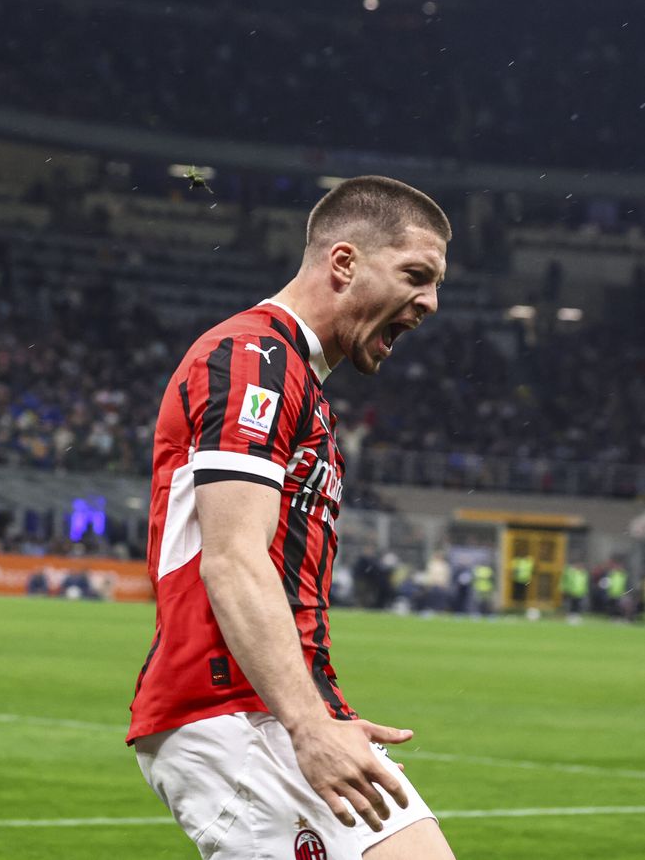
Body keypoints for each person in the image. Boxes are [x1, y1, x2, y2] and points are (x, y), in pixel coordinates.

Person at [126, 175, 456, 860]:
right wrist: (307, 722)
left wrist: (318, 706)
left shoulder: (294, 377)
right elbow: (233, 556)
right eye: (415, 275)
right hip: (228, 711)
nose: (429, 302)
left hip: (271, 707)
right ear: (343, 262)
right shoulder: (252, 358)